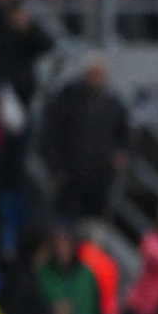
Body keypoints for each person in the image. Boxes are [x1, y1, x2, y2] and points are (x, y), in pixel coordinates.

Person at [37, 53, 130, 219]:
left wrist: (121, 153)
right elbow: (49, 137)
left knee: (96, 221)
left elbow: (125, 135)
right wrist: (55, 168)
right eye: (92, 73)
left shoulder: (112, 104)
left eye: (99, 74)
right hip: (70, 175)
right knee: (68, 220)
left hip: (101, 176)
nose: (96, 78)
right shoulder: (65, 101)